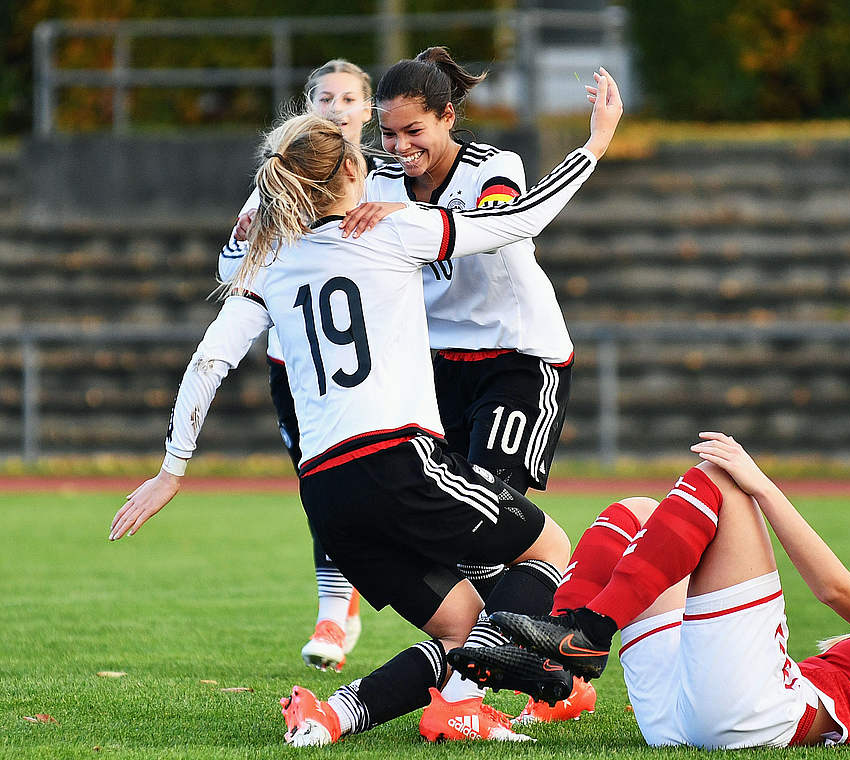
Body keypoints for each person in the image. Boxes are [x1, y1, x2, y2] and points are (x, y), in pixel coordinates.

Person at [109, 67, 624, 746]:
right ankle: (499, 689)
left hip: (323, 492)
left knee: (468, 627)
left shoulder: (273, 260)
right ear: (357, 170)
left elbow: (210, 359)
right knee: (548, 547)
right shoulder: (393, 229)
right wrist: (595, 142)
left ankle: (335, 714)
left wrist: (172, 469)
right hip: (399, 461)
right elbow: (519, 221)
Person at [448, 432, 850, 747]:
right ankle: (560, 658)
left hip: (754, 713)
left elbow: (835, 589)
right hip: (695, 714)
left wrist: (761, 483)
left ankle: (590, 631)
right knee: (634, 513)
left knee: (721, 480)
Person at [220, 57, 376, 674]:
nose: (337, 108)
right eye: (325, 98)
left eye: (349, 98)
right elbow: (233, 274)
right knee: (323, 489)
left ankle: (448, 627)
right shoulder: (275, 188)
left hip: (382, 368)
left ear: (368, 110)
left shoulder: (387, 178)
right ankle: (334, 613)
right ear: (308, 108)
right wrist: (240, 242)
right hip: (299, 365)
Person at [366, 47, 576, 502]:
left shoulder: (494, 166)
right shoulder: (377, 182)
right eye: (388, 134)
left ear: (446, 116)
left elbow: (490, 226)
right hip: (437, 362)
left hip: (517, 355)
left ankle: (556, 566)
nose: (401, 147)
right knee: (436, 518)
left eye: (413, 131)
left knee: (492, 511)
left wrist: (404, 215)